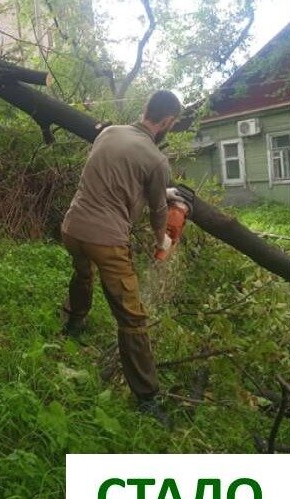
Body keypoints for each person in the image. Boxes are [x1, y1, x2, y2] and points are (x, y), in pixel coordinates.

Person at [59, 90, 185, 428]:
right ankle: (146, 398)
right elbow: (159, 211)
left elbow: (118, 176)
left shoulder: (109, 132)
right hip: (107, 241)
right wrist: (163, 239)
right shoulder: (157, 160)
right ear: (167, 121)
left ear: (145, 109)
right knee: (132, 318)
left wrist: (159, 190)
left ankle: (73, 324)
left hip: (72, 228)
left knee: (82, 273)